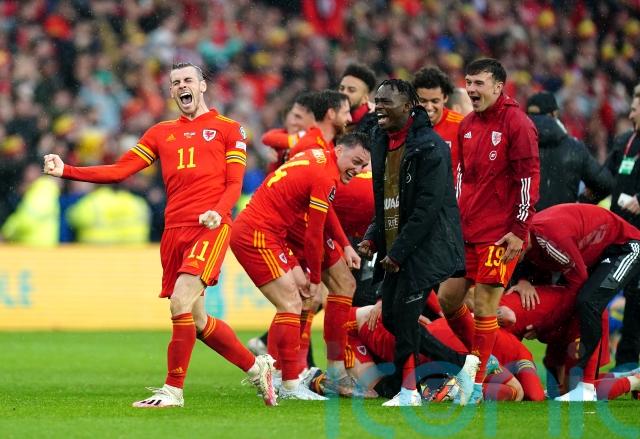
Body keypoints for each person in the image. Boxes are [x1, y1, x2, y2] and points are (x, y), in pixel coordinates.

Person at [43, 62, 276, 408]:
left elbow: (234, 183)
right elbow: (121, 170)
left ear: (202, 86)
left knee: (179, 302)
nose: (182, 86)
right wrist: (67, 170)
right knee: (197, 320)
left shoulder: (230, 129)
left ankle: (172, 391)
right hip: (174, 231)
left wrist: (219, 211)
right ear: (171, 92)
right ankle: (258, 368)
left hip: (210, 227)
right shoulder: (160, 133)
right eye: (175, 82)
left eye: (188, 80)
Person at [358, 79, 479, 406]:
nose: (379, 107)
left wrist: (398, 252)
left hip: (427, 246)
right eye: (378, 101)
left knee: (405, 317)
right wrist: (373, 236)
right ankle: (460, 363)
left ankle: (408, 391)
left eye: (387, 102)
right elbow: (385, 197)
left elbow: (427, 209)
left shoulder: (431, 147)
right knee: (391, 318)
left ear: (409, 106)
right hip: (397, 246)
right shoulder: (381, 139)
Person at [230, 132, 371, 400]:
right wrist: (316, 278)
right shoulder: (324, 174)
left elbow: (325, 212)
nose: (358, 169)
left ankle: (281, 377)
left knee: (298, 302)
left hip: (271, 233)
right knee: (292, 303)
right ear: (339, 150)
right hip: (259, 233)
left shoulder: (318, 158)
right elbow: (313, 236)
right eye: (355, 162)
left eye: (363, 165)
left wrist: (345, 244)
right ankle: (288, 384)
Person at [437, 58, 540, 404]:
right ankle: (482, 360)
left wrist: (519, 230)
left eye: (479, 83)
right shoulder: (467, 125)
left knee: (484, 305)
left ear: (498, 86)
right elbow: (460, 178)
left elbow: (528, 180)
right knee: (448, 298)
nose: (471, 89)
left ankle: (475, 385)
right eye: (468, 82)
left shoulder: (518, 124)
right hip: (467, 231)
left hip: (500, 235)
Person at [511, 203, 640, 401]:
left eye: (508, 245)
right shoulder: (533, 239)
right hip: (598, 253)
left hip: (625, 246)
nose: (507, 253)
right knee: (583, 303)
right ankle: (628, 379)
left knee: (588, 302)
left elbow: (578, 285)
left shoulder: (550, 240)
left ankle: (586, 387)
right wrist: (523, 279)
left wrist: (545, 326)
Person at [602, 83, 640, 373]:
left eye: (636, 108)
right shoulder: (625, 141)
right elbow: (603, 178)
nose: (631, 114)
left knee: (636, 301)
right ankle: (608, 363)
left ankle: (627, 364)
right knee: (604, 293)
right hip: (619, 235)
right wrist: (583, 200)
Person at [525, 91, 613, 211]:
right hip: (563, 219)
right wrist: (581, 202)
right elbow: (605, 184)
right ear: (554, 114)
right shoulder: (574, 147)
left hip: (524, 220)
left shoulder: (514, 145)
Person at [413, 66, 465, 177]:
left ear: (445, 98)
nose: (429, 107)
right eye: (423, 101)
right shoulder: (406, 126)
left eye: (435, 101)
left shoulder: (461, 125)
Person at [338, 62, 378, 134]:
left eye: (351, 90)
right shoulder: (330, 117)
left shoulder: (376, 125)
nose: (344, 93)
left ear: (365, 98)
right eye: (341, 88)